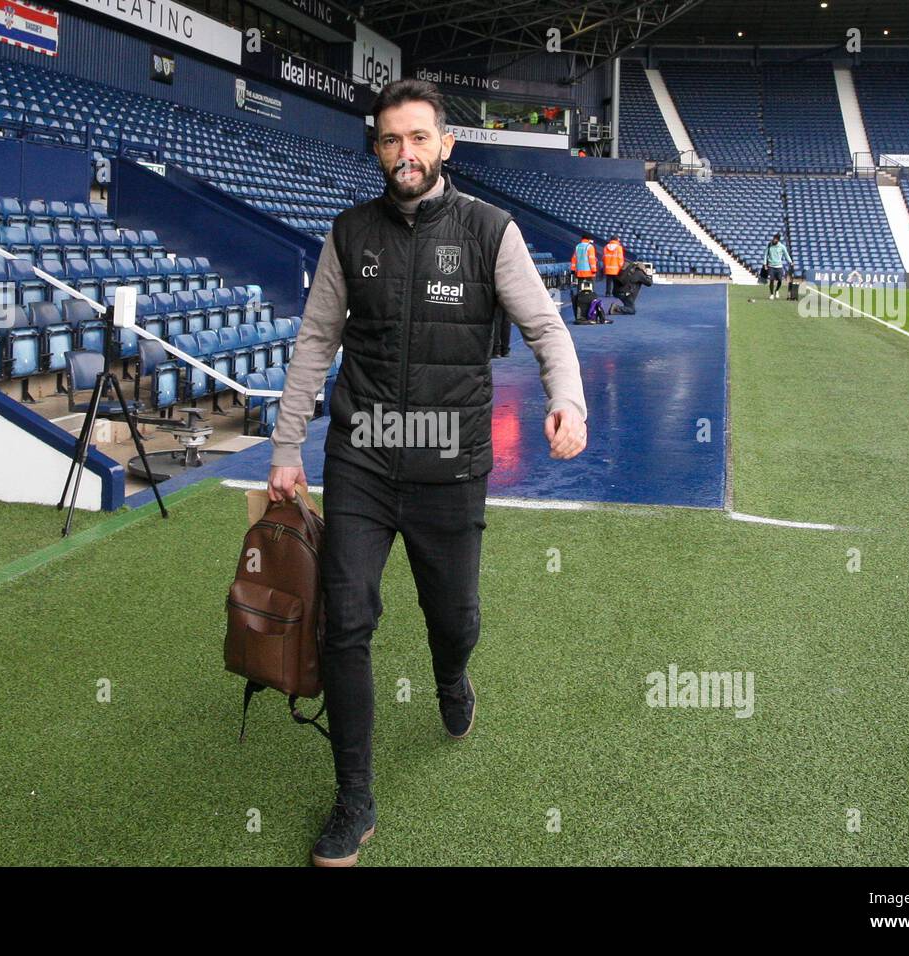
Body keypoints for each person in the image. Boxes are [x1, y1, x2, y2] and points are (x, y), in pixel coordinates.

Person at [266, 78, 588, 868]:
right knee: (344, 621)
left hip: (451, 464)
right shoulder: (349, 235)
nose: (403, 153)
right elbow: (314, 343)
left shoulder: (489, 231)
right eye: (388, 140)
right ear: (376, 149)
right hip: (364, 455)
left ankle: (452, 680)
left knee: (456, 619)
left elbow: (545, 325)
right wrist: (284, 450)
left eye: (417, 138)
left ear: (445, 144)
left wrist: (568, 401)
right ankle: (354, 798)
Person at [570, 234, 598, 321]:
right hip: (589, 273)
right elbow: (591, 259)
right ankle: (590, 310)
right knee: (590, 293)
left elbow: (574, 259)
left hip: (579, 272)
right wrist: (594, 269)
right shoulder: (590, 247)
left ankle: (579, 310)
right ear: (588, 239)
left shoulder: (578, 246)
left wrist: (573, 269)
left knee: (580, 292)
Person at [763, 233, 793, 299]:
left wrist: (790, 262)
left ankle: (776, 290)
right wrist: (765, 264)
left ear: (778, 240)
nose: (774, 240)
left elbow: (786, 255)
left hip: (779, 266)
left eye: (776, 239)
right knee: (771, 280)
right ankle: (771, 294)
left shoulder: (782, 247)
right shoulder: (769, 245)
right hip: (771, 266)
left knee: (780, 280)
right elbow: (765, 255)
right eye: (774, 238)